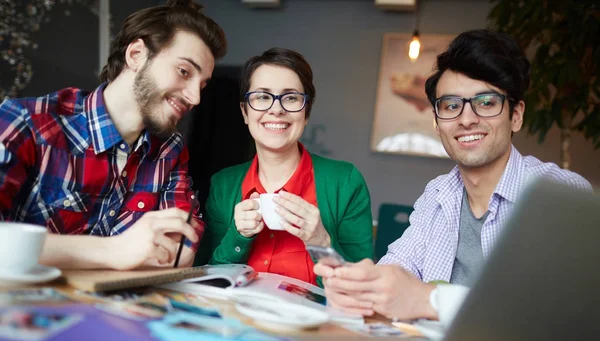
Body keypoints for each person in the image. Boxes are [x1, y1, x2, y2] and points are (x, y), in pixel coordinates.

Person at [314, 29, 592, 318]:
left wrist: (427, 299)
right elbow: (397, 267)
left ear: (517, 115)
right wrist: (360, 287)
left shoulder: (560, 194)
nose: (467, 119)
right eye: (451, 106)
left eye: (486, 103)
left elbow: (556, 311)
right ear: (437, 123)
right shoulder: (437, 194)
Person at [0, 0, 227, 270]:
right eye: (183, 72)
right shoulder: (27, 122)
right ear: (136, 55)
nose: (195, 97)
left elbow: (180, 246)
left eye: (201, 85)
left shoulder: (170, 150)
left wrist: (180, 247)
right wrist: (111, 251)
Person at [198, 48, 373, 286]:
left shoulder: (345, 182)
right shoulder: (223, 185)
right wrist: (237, 236)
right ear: (244, 112)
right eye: (262, 97)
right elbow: (209, 281)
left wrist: (321, 241)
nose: (276, 109)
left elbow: (362, 286)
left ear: (306, 112)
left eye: (290, 97)